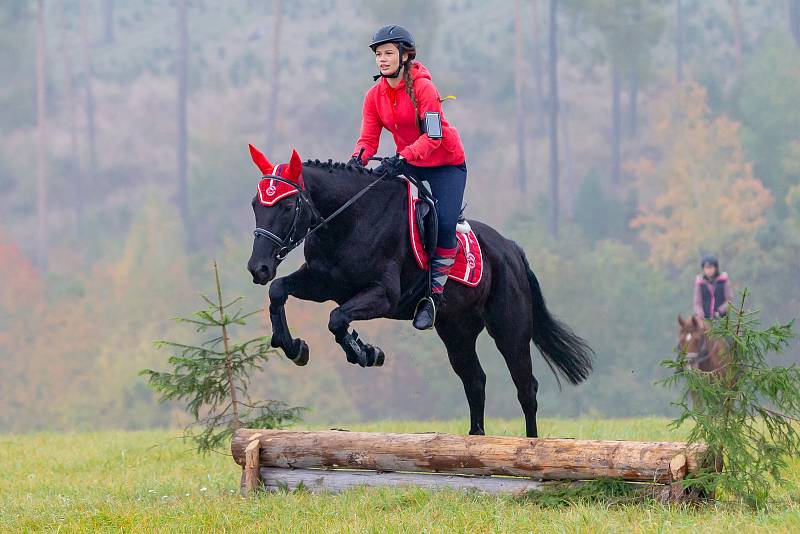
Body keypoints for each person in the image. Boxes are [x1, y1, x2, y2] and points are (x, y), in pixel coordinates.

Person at [349, 25, 467, 331]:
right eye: (378, 54)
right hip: (410, 160)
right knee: (370, 197)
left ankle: (433, 296)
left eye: (388, 53)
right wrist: (356, 161)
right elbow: (368, 140)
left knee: (443, 223)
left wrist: (402, 157)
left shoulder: (425, 89)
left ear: (405, 55)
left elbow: (435, 137)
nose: (382, 59)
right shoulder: (373, 96)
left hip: (445, 164)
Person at [694, 255, 733, 320]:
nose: (708, 270)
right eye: (706, 268)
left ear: (716, 268)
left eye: (711, 267)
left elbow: (729, 300)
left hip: (722, 319)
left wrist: (720, 311)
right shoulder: (700, 283)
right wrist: (700, 314)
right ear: (703, 269)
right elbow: (697, 302)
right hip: (705, 319)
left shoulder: (724, 281)